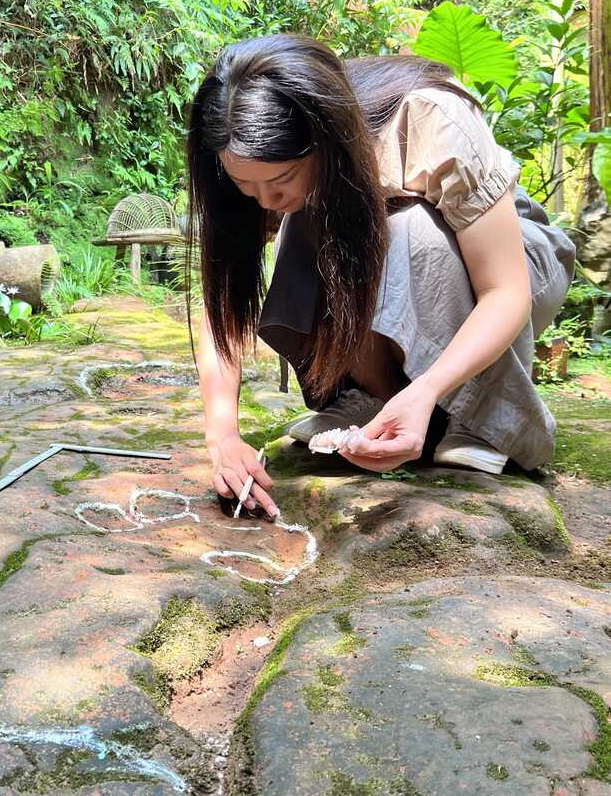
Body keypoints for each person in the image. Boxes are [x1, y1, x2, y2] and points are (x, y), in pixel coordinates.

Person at [187, 35, 576, 517]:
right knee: (304, 224)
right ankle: (377, 397)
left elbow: (506, 290)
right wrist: (223, 437)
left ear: (328, 140)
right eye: (245, 185)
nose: (266, 201)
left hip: (514, 265)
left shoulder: (429, 118)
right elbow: (222, 307)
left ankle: (478, 417)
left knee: (407, 227)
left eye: (282, 180)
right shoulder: (246, 165)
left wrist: (428, 389)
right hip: (394, 269)